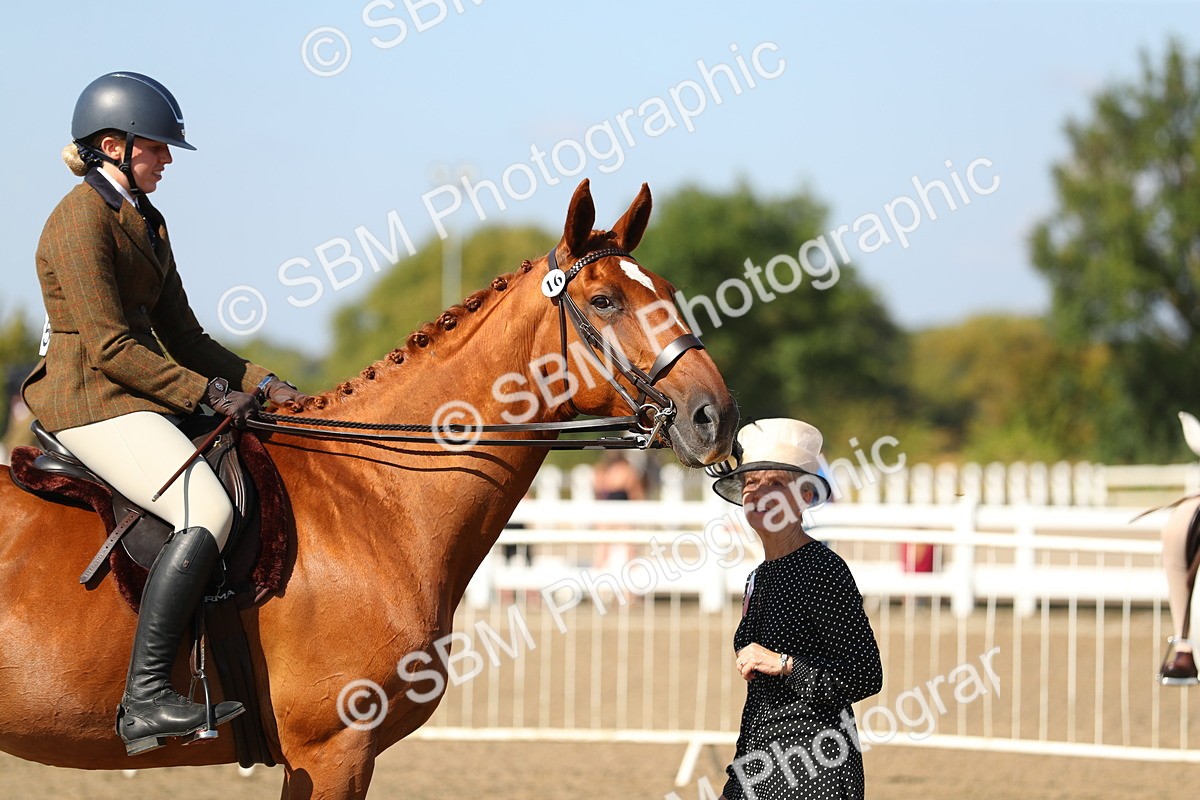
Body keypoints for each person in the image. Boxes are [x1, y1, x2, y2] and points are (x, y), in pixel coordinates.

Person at [21, 72, 308, 755]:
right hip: (90, 402)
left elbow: (186, 335)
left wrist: (268, 385)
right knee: (206, 509)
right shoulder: (78, 222)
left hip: (131, 395)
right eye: (157, 147)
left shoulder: (146, 220)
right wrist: (208, 395)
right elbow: (111, 348)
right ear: (112, 146)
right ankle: (146, 697)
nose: (168, 159)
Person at [709, 418, 883, 799]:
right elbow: (760, 702)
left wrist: (784, 663)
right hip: (760, 769)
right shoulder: (758, 577)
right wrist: (735, 783)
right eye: (751, 482)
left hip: (815, 771)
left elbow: (865, 674)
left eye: (775, 483)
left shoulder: (822, 569)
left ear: (805, 497)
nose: (759, 493)